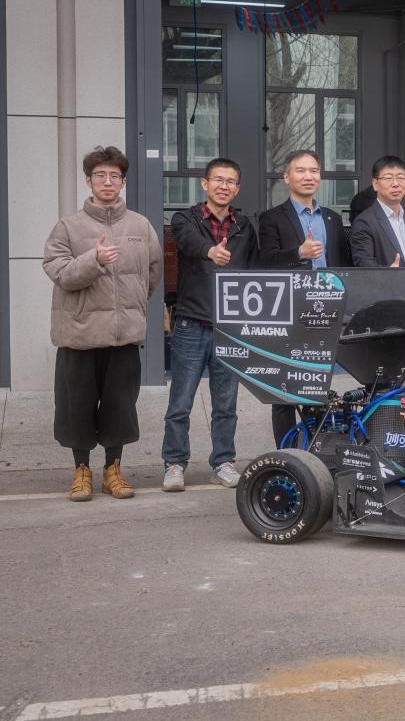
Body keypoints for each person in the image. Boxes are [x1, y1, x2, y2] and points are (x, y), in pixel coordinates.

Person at [42, 146, 162, 502]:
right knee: (75, 407)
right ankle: (81, 470)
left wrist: (133, 304)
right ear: (88, 180)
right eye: (100, 175)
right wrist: (93, 261)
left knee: (119, 407)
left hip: (123, 336)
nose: (107, 181)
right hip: (79, 335)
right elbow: (59, 272)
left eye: (114, 176)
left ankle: (113, 470)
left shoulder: (140, 226)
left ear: (123, 182)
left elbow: (152, 273)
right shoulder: (68, 226)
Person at [161, 158, 258, 492]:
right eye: (218, 179)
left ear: (237, 189)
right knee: (180, 403)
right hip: (192, 323)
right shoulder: (184, 219)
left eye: (230, 181)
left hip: (230, 326)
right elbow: (188, 242)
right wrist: (210, 252)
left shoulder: (244, 226)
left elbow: (256, 269)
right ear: (205, 184)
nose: (224, 186)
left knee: (226, 404)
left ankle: (223, 462)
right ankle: (174, 463)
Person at [257, 149, 351, 444]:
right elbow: (265, 262)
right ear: (287, 177)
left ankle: (316, 449)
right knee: (283, 392)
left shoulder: (332, 219)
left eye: (314, 170)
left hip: (326, 314)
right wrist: (298, 252)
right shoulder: (272, 218)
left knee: (317, 387)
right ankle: (287, 452)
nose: (308, 176)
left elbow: (344, 266)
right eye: (300, 170)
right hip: (289, 313)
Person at [350, 155, 405, 268]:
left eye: (401, 177)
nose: (396, 184)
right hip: (387, 280)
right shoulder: (364, 222)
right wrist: (387, 273)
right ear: (375, 184)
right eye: (388, 178)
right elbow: (363, 264)